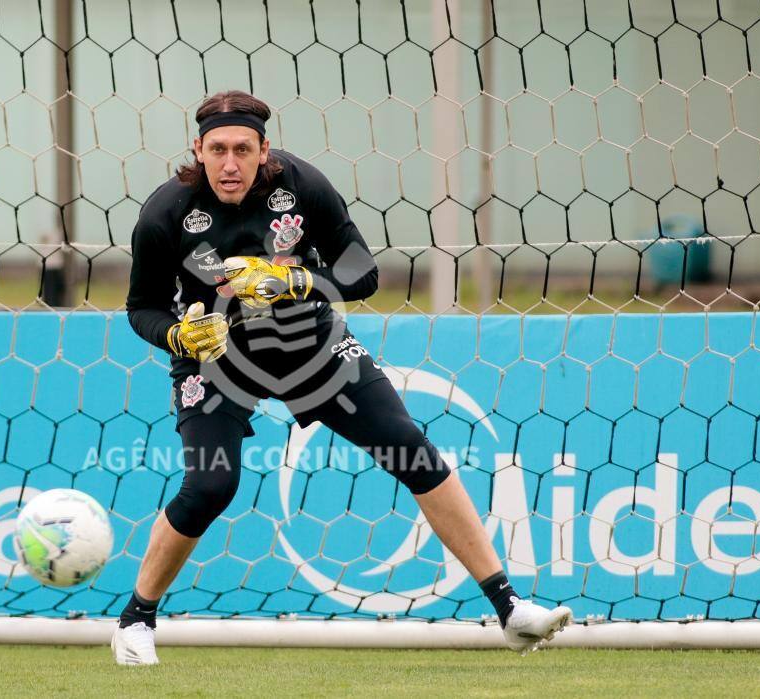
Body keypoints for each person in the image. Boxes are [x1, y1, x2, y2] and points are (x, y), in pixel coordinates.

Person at [114, 90, 571, 665]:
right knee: (211, 485)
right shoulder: (165, 214)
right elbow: (142, 307)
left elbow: (363, 272)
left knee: (411, 449)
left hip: (312, 344)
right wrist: (177, 335)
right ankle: (135, 621)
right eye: (218, 149)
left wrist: (298, 282)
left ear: (264, 151)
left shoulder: (302, 188)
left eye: (242, 149)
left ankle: (510, 611)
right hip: (216, 358)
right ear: (197, 150)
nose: (230, 163)